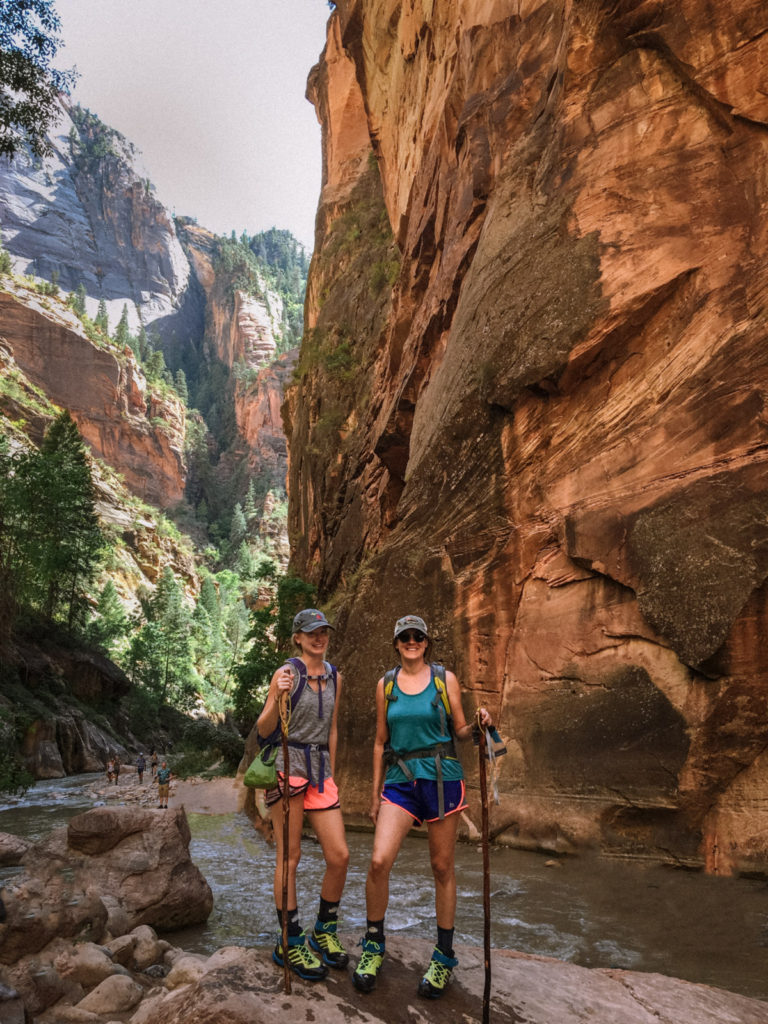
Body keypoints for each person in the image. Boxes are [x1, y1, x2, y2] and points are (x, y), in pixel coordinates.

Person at [352, 614, 494, 1000]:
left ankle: (444, 956)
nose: (411, 641)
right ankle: (373, 945)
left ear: (426, 642)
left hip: (442, 777)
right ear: (397, 643)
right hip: (400, 779)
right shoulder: (385, 684)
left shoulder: (445, 680)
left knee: (442, 866)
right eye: (404, 637)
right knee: (379, 860)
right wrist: (373, 795)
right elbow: (381, 741)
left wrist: (480, 726)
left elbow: (461, 731)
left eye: (418, 636)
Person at [256, 608, 349, 982]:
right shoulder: (286, 674)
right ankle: (289, 940)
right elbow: (263, 728)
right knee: (289, 857)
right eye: (311, 632)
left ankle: (323, 930)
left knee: (339, 855)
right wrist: (276, 696)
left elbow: (333, 729)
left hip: (320, 771)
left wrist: (332, 771)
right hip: (286, 767)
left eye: (323, 631)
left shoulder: (335, 677)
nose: (319, 637)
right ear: (298, 637)